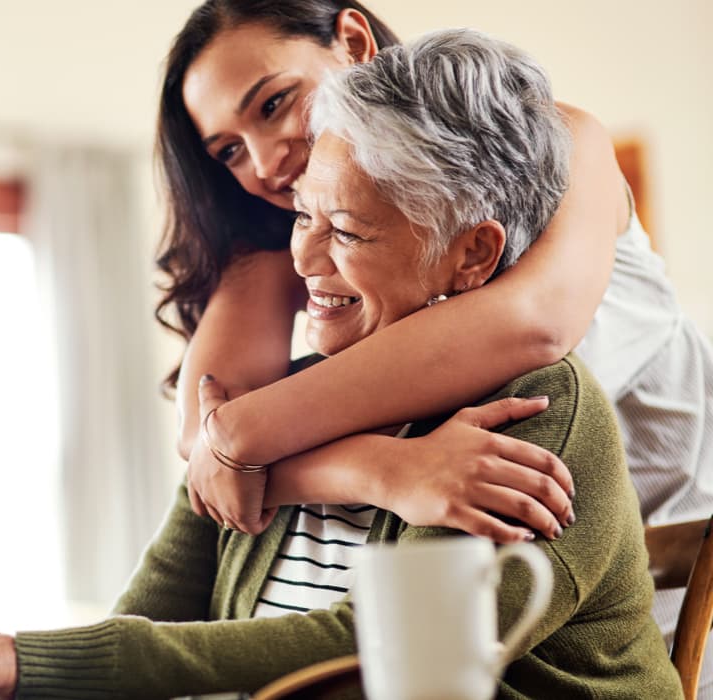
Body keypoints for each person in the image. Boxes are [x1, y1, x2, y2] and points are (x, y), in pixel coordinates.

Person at [0, 30, 682, 700]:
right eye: (301, 216)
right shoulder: (296, 395)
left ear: (470, 258)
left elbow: (371, 654)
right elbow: (151, 615)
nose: (305, 260)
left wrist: (19, 661)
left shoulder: (536, 412)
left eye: (346, 231)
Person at [161, 0, 713, 671]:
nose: (266, 162)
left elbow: (533, 325)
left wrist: (243, 440)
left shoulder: (553, 144)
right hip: (502, 590)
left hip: (677, 582)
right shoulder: (292, 237)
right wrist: (381, 471)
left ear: (353, 40)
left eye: (275, 103)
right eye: (229, 151)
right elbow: (205, 442)